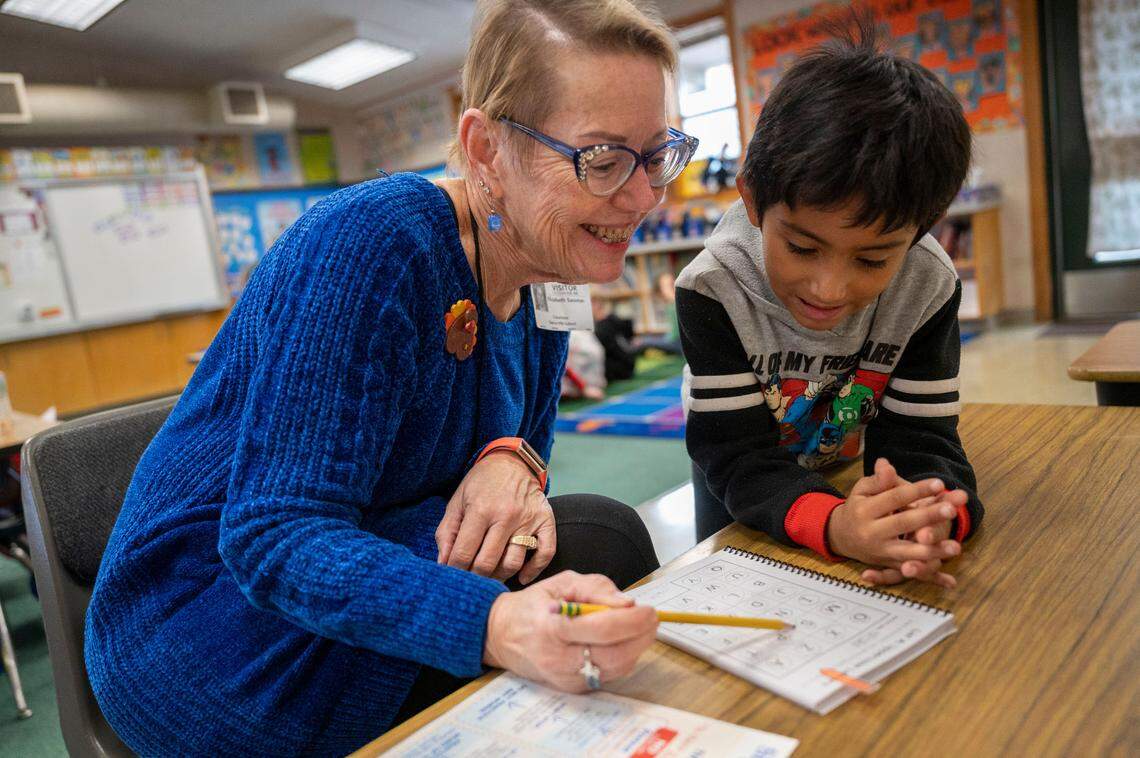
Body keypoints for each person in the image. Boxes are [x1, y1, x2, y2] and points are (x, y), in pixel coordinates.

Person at [84, 1, 699, 754]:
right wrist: (492, 624)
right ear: (486, 150)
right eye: (601, 159)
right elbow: (272, 535)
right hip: (214, 630)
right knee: (572, 591)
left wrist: (515, 459)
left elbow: (526, 436)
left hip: (385, 540)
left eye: (657, 154)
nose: (642, 197)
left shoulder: (545, 263)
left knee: (598, 539)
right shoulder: (373, 246)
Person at [676, 15, 983, 589]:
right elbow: (736, 457)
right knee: (729, 582)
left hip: (842, 469)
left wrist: (932, 520)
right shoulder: (713, 288)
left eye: (871, 260)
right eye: (801, 246)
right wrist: (837, 524)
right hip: (738, 472)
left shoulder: (927, 285)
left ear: (920, 232)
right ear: (752, 200)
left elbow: (923, 439)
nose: (828, 289)